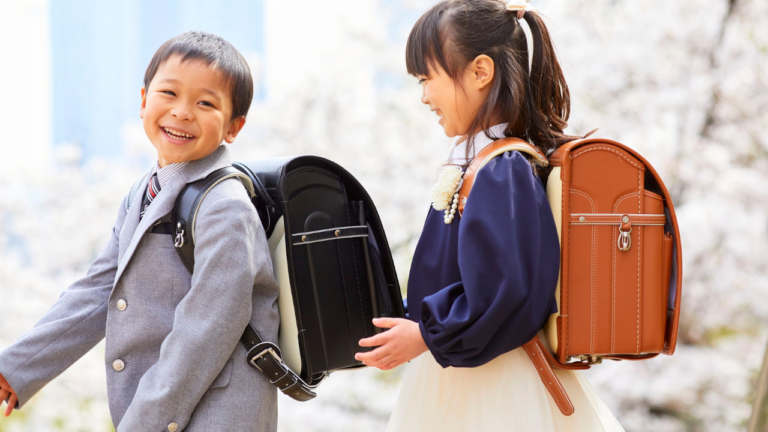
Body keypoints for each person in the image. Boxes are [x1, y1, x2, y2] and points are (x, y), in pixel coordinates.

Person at [355, 1, 625, 431]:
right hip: (468, 370)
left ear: (481, 72)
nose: (424, 96)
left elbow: (506, 291)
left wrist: (427, 335)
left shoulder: (503, 170)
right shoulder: (479, 162)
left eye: (428, 79)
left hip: (494, 383)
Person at [0, 31, 280, 431]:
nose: (182, 112)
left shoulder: (226, 207)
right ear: (144, 100)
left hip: (215, 414)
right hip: (160, 408)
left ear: (234, 127)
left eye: (205, 103)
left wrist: (146, 422)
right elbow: (99, 290)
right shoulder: (143, 191)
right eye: (169, 94)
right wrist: (17, 367)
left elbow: (206, 331)